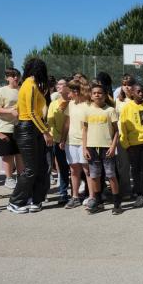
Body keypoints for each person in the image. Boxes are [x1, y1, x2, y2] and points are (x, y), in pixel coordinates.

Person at [7, 58, 52, 213]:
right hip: (28, 129)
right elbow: (32, 113)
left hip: (30, 128)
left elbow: (19, 107)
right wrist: (45, 132)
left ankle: (35, 199)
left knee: (41, 166)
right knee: (31, 169)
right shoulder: (30, 85)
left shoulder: (27, 85)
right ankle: (15, 202)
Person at [82, 84, 121, 214]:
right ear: (91, 96)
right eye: (94, 93)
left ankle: (117, 204)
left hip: (107, 148)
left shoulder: (110, 110)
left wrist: (113, 146)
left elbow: (116, 131)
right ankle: (98, 202)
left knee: (111, 175)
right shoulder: (87, 110)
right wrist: (84, 148)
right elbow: (85, 130)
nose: (97, 95)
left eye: (100, 93)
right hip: (92, 148)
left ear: (104, 95)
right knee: (94, 176)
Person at [64, 79, 91, 208]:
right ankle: (75, 197)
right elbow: (67, 123)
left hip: (85, 143)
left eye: (69, 91)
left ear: (75, 91)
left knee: (87, 170)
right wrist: (63, 139)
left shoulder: (88, 105)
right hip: (71, 142)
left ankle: (92, 197)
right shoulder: (70, 104)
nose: (68, 94)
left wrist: (86, 144)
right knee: (74, 170)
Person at [0, 68, 23, 189]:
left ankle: (21, 177)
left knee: (20, 154)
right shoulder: (1, 91)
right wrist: (10, 111)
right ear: (7, 78)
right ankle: (9, 178)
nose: (15, 78)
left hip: (20, 126)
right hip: (5, 127)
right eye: (12, 76)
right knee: (8, 155)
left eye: (17, 75)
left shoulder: (22, 90)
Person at [47, 78, 71, 207]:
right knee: (62, 168)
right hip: (58, 141)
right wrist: (59, 138)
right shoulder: (53, 104)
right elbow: (50, 123)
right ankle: (63, 193)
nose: (58, 86)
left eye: (62, 84)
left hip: (73, 140)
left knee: (75, 168)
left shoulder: (74, 103)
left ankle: (78, 193)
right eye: (58, 84)